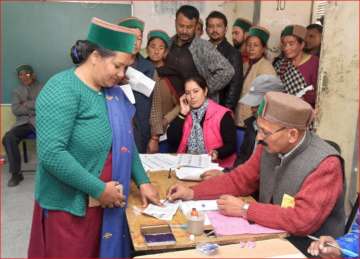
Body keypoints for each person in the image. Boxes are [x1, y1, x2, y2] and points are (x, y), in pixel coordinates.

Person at [28, 18, 161, 258]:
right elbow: (52, 154)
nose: (121, 75)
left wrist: (143, 180)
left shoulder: (112, 92)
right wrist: (99, 189)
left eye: (125, 68)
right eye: (118, 66)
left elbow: (124, 141)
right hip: (70, 209)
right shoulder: (62, 89)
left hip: (106, 203)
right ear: (96, 56)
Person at [167, 92, 345, 256]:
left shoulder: (326, 164)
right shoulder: (269, 147)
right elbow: (239, 180)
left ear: (292, 134)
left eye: (265, 132)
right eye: (258, 128)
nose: (259, 137)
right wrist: (192, 192)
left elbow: (301, 220)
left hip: (310, 248)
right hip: (272, 236)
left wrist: (245, 209)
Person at [202, 75, 284, 181]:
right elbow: (242, 159)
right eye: (252, 104)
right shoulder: (251, 125)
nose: (252, 109)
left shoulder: (282, 135)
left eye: (257, 104)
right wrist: (226, 175)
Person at [157, 5, 235, 103]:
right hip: (170, 106)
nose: (184, 31)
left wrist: (202, 90)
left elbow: (228, 71)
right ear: (175, 22)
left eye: (189, 27)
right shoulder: (167, 43)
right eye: (181, 26)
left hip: (196, 107)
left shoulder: (203, 47)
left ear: (196, 26)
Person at [167, 76, 236, 168]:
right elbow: (172, 141)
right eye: (188, 93)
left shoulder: (222, 114)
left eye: (196, 91)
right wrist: (182, 113)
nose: (192, 96)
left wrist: (217, 152)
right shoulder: (187, 114)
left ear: (205, 91)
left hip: (216, 167)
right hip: (188, 165)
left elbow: (231, 145)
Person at [117, 16, 156, 153]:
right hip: (117, 126)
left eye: (139, 38)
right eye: (131, 37)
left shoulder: (148, 67)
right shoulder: (109, 65)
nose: (135, 42)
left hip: (141, 128)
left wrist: (154, 137)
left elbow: (155, 103)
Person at [2, 64, 43, 187]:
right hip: (23, 122)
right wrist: (32, 106)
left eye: (27, 73)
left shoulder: (42, 87)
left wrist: (26, 104)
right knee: (8, 138)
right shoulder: (16, 91)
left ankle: (51, 172)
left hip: (40, 121)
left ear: (33, 75)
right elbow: (16, 110)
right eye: (21, 74)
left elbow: (43, 105)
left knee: (52, 138)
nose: (24, 76)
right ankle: (16, 174)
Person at [235, 25, 276, 128]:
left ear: (263, 49)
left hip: (254, 124)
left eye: (256, 45)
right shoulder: (245, 65)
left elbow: (269, 99)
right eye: (249, 45)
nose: (251, 48)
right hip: (239, 120)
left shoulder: (266, 68)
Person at [146, 30, 180, 153]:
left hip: (165, 132)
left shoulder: (172, 73)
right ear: (147, 48)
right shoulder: (141, 71)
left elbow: (181, 104)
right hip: (143, 130)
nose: (156, 51)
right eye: (153, 46)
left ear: (165, 52)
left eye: (161, 48)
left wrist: (166, 120)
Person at [274, 25, 319, 108]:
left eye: (291, 44)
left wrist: (303, 97)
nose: (286, 48)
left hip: (304, 114)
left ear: (302, 45)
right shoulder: (280, 65)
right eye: (284, 44)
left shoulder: (315, 63)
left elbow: (320, 94)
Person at [206, 11, 243, 111]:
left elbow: (235, 87)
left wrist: (226, 111)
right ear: (206, 30)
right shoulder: (201, 49)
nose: (214, 30)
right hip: (200, 104)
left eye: (218, 26)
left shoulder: (233, 53)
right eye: (211, 26)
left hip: (220, 107)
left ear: (225, 29)